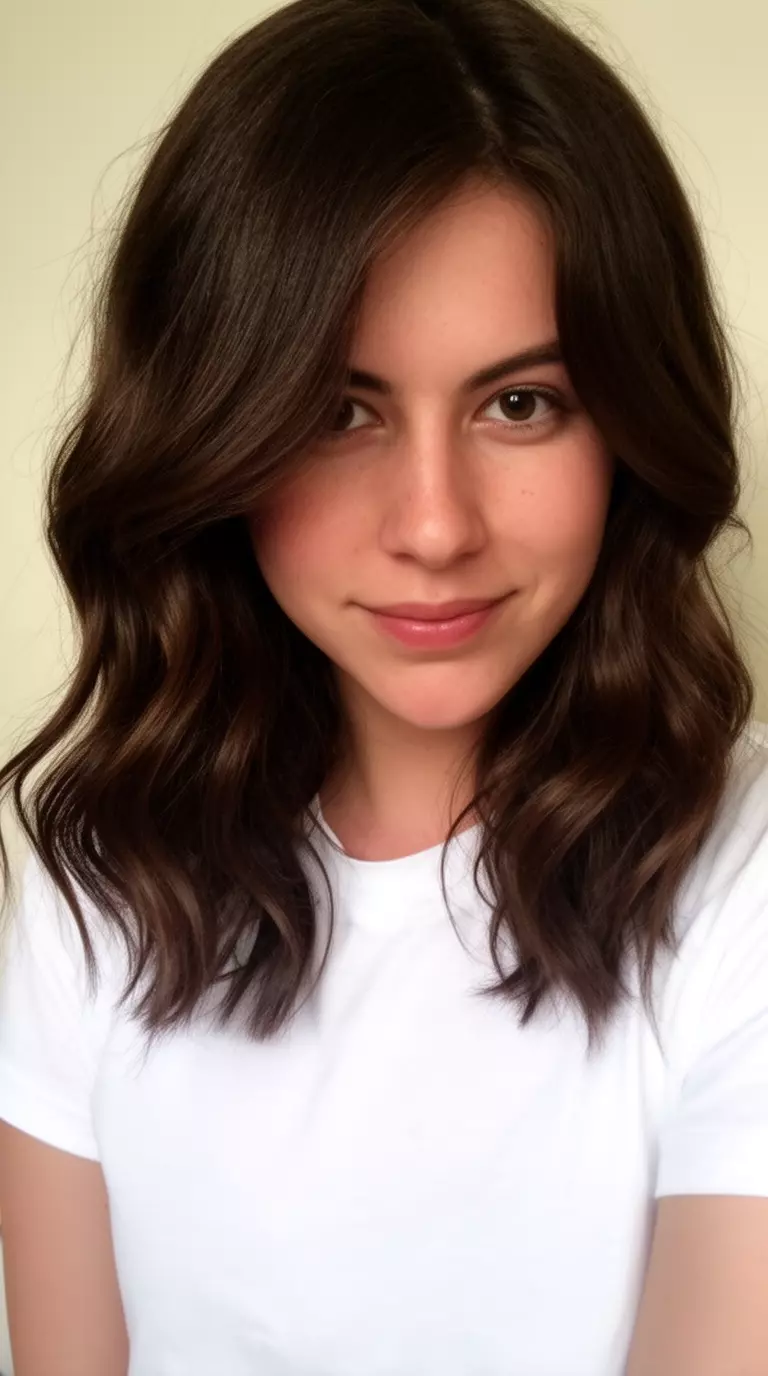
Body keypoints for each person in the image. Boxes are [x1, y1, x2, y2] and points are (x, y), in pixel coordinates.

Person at [1, 0, 767, 1372]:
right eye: (336, 413)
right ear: (211, 434)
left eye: (520, 404)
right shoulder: (102, 874)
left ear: (630, 429)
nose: (433, 526)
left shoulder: (740, 874)